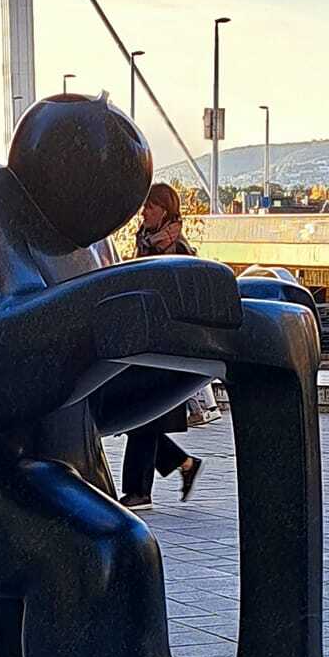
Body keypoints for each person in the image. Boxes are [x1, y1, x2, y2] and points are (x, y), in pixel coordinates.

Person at [120, 183, 204, 510]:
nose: (144, 212)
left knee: (142, 416)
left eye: (151, 207)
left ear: (165, 211)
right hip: (143, 341)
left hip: (164, 345)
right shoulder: (146, 243)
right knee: (139, 415)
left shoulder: (177, 250)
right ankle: (184, 464)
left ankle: (138, 492)